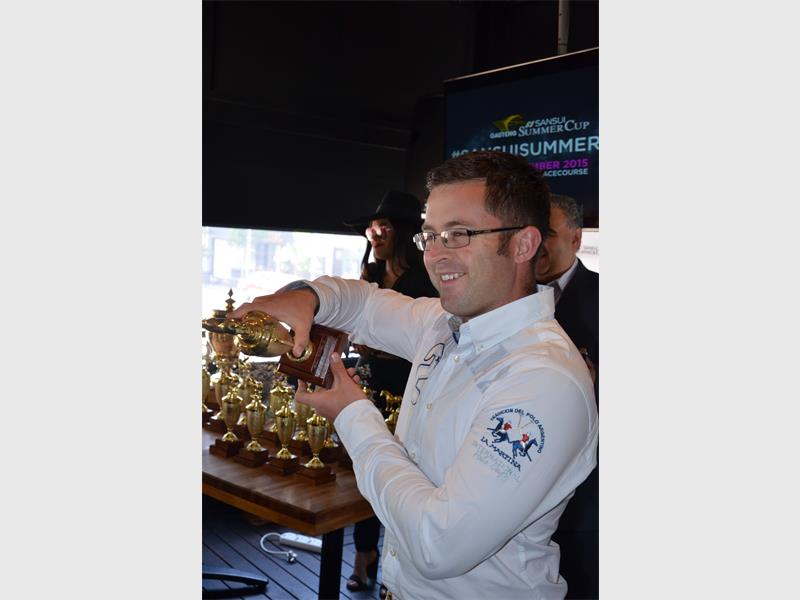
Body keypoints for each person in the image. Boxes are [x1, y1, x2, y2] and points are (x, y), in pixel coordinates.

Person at [231, 151, 598, 599]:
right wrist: (307, 296)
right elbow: (363, 304)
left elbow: (438, 545)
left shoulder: (544, 378)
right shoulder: (443, 324)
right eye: (430, 236)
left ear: (522, 245)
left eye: (459, 234)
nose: (436, 255)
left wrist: (351, 414)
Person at [341, 191, 438, 592]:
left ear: (403, 232)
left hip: (411, 386)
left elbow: (430, 339)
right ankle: (364, 553)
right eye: (371, 229)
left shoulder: (425, 279)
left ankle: (399, 565)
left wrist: (379, 343)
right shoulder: (371, 278)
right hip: (373, 380)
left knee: (403, 474)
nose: (375, 234)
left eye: (384, 227)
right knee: (366, 467)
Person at [536, 193, 599, 599]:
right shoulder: (509, 298)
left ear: (576, 239)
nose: (536, 243)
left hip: (585, 487)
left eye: (548, 233)